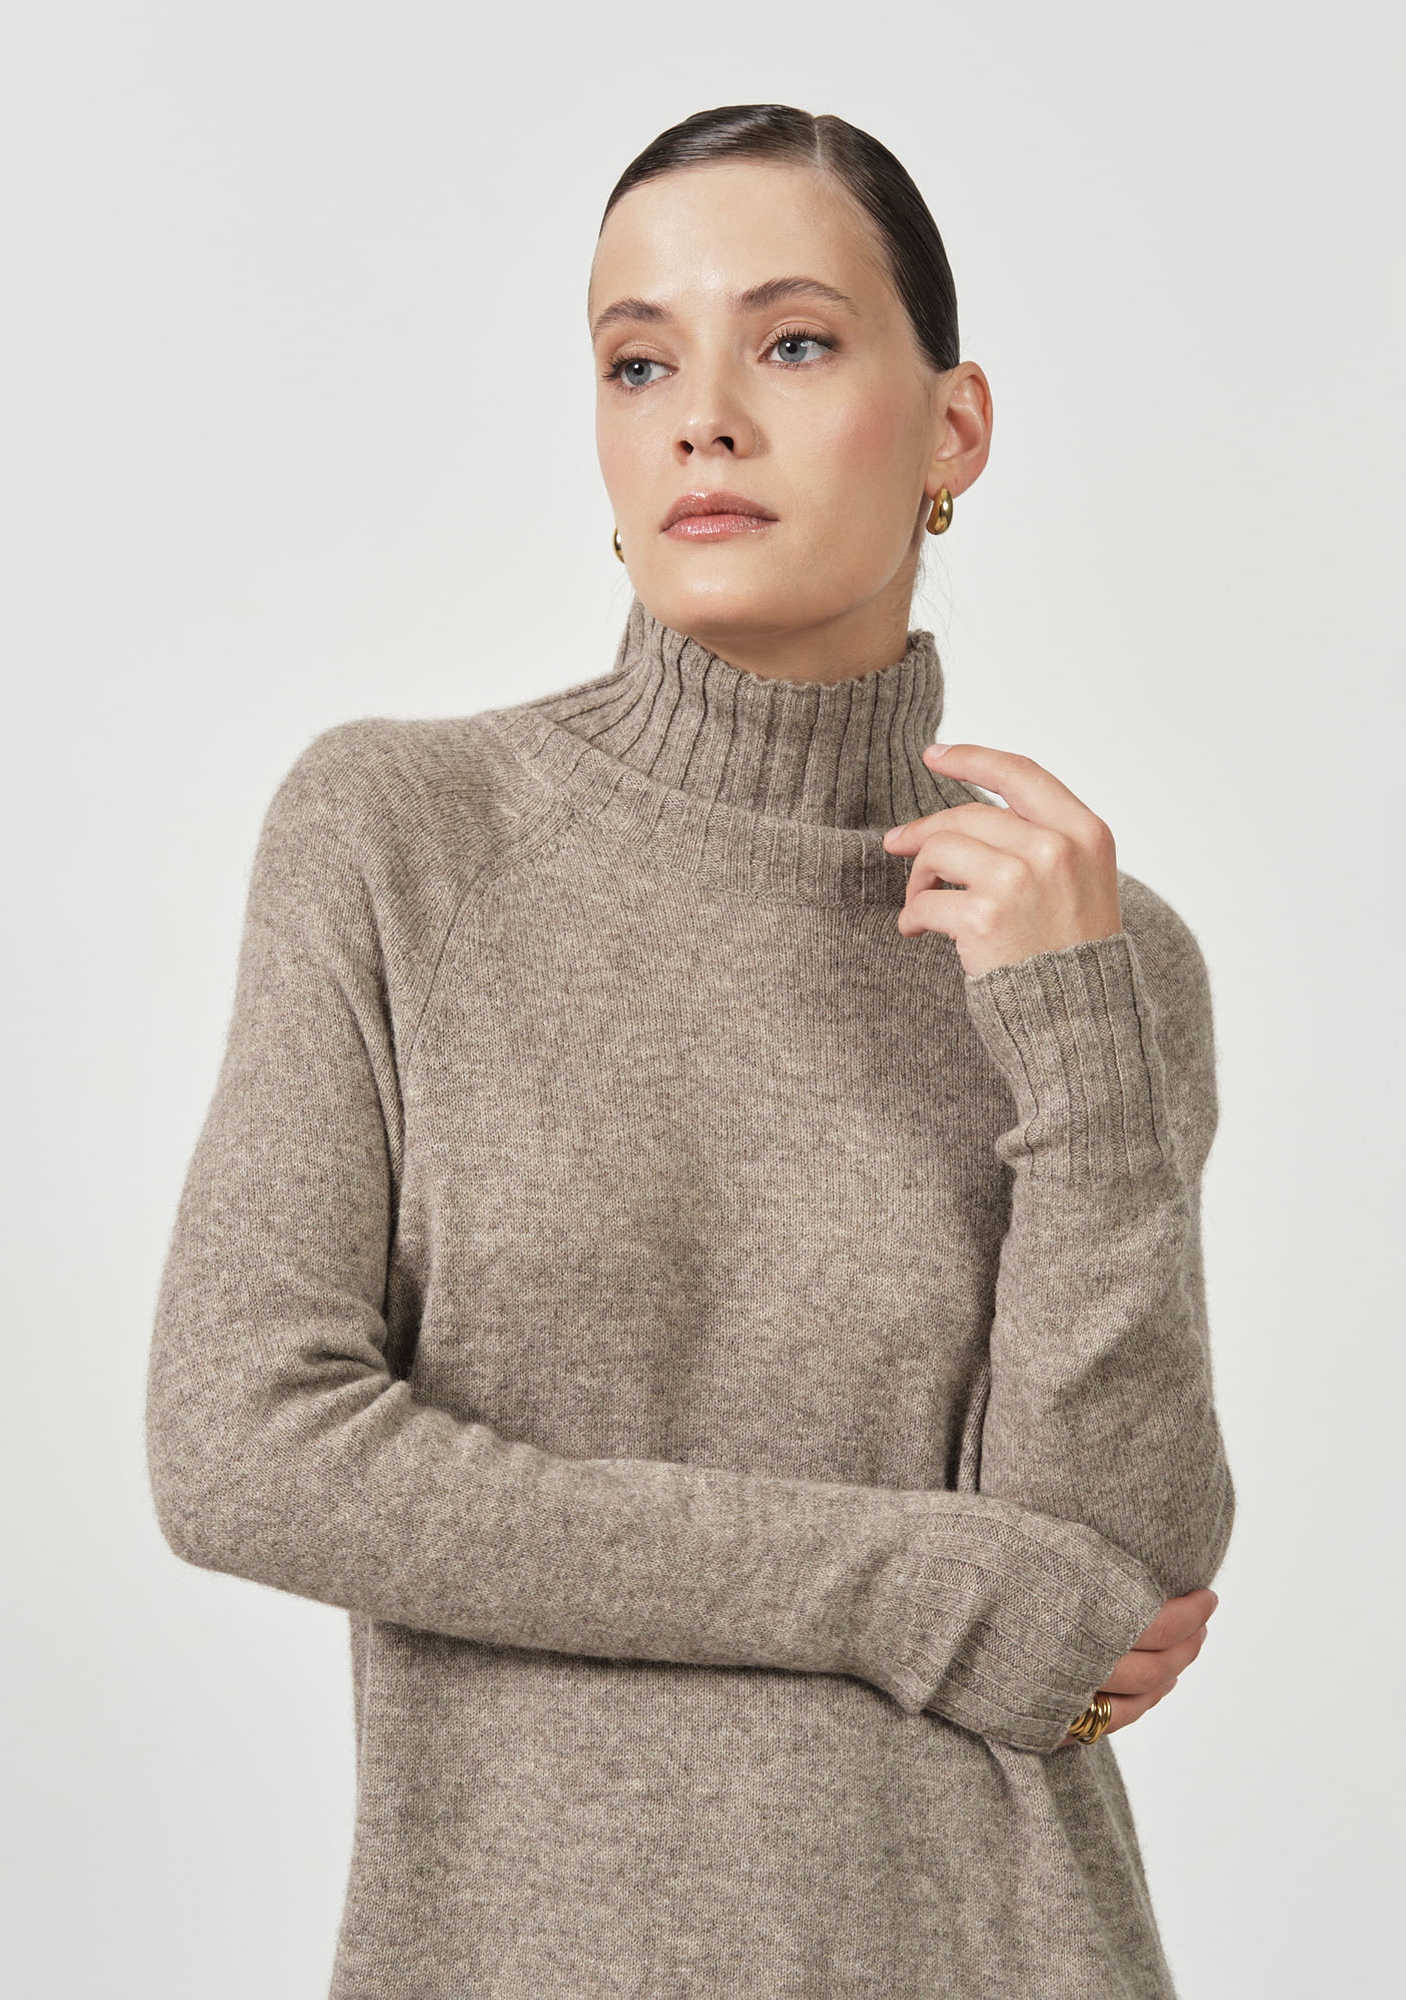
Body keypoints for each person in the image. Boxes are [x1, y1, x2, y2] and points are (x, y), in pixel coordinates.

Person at [146, 101, 1233, 2000]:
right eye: (638, 361)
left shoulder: (1094, 952)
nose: (701, 420)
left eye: (792, 343)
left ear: (954, 429)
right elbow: (245, 1446)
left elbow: (1101, 1604)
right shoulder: (402, 835)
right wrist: (900, 1583)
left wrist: (1081, 1050)